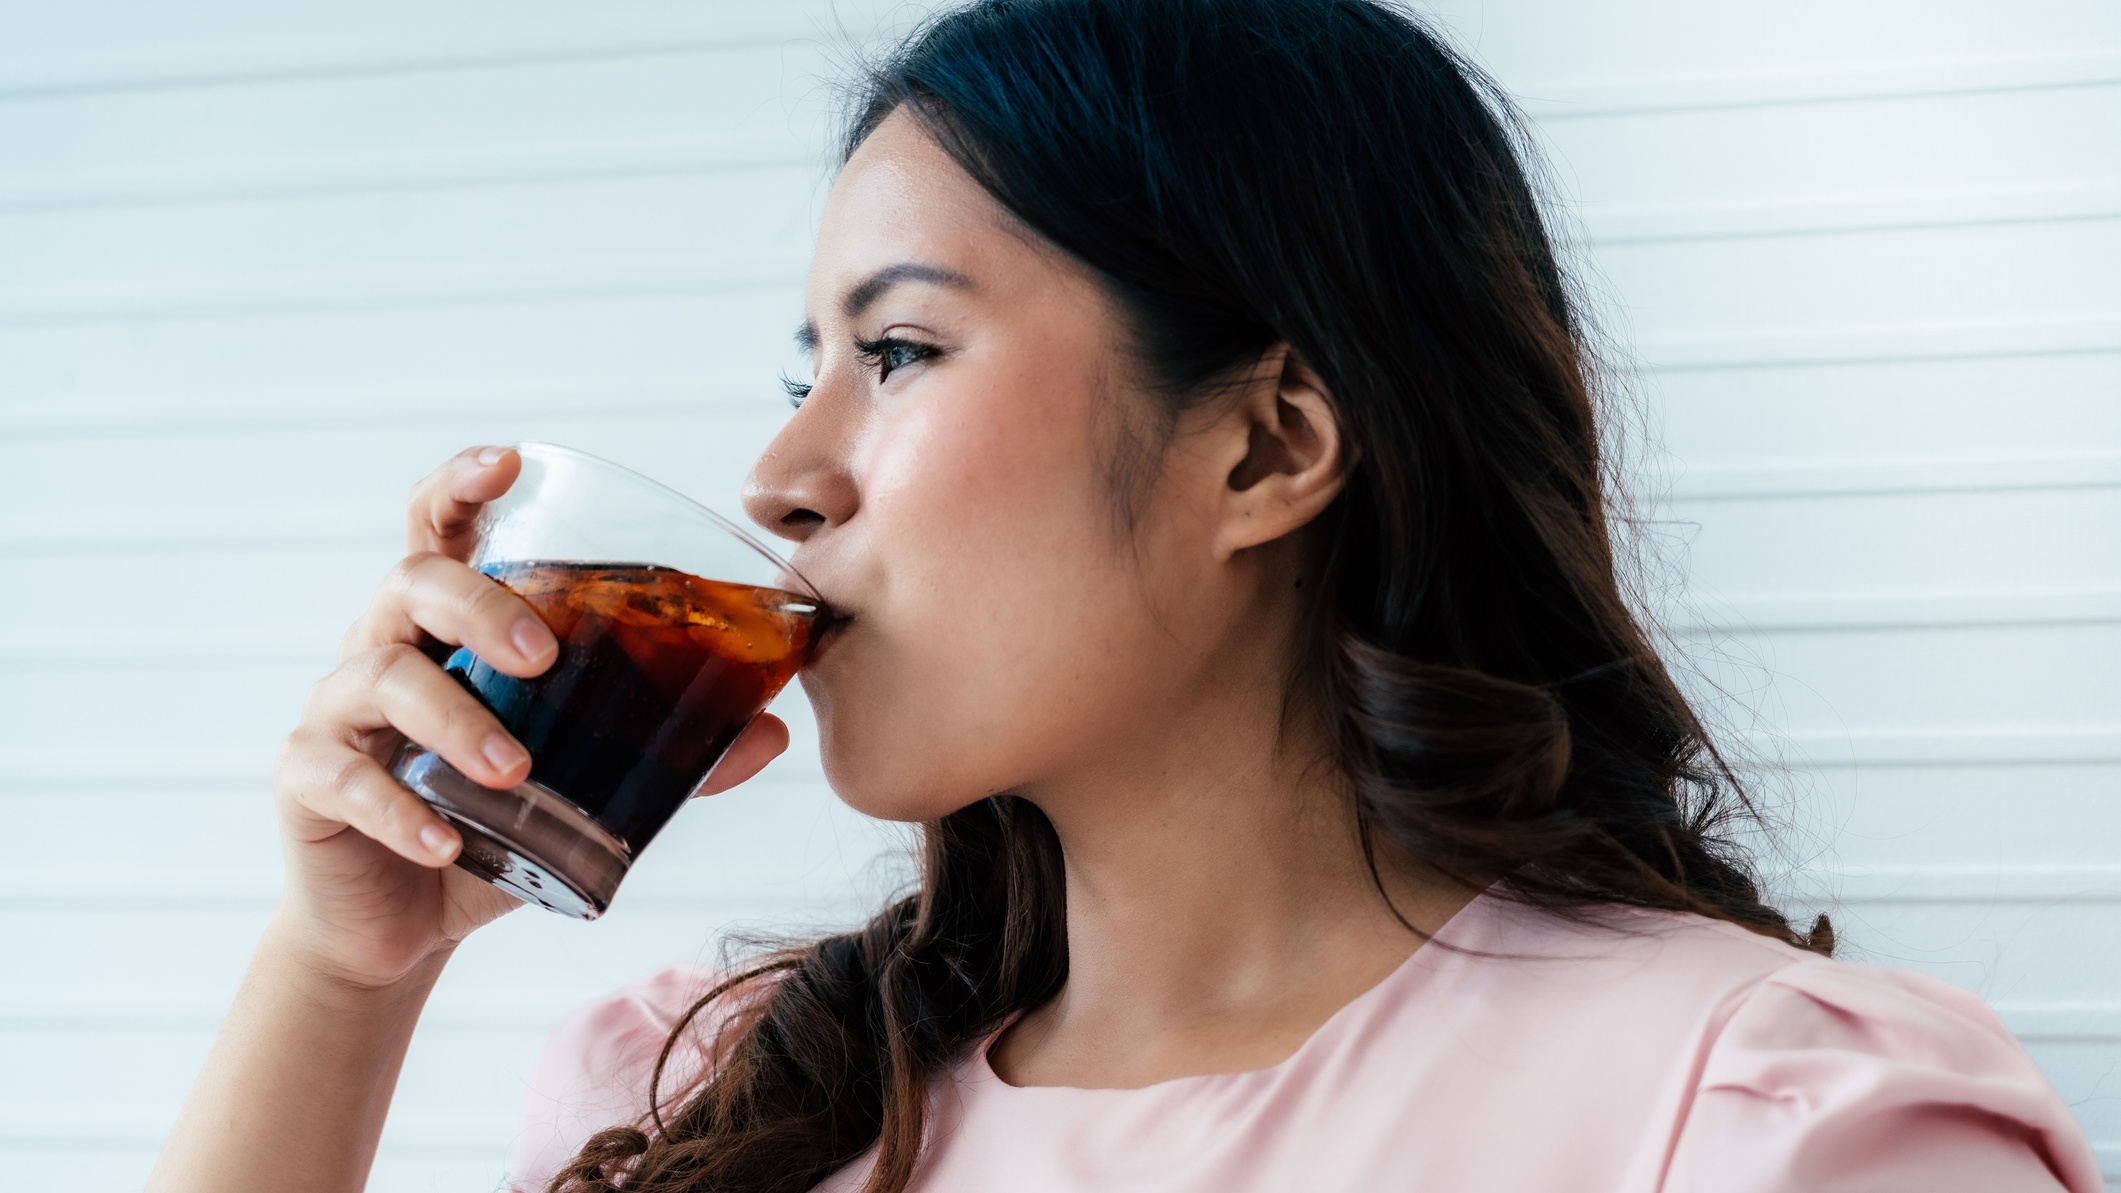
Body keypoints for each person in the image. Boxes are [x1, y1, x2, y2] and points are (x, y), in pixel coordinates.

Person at [146, 1, 2102, 1191]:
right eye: (795, 367)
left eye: (897, 353)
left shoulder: (1757, 1127)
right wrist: (342, 982)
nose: (778, 477)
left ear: (1262, 449)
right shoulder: (715, 1109)